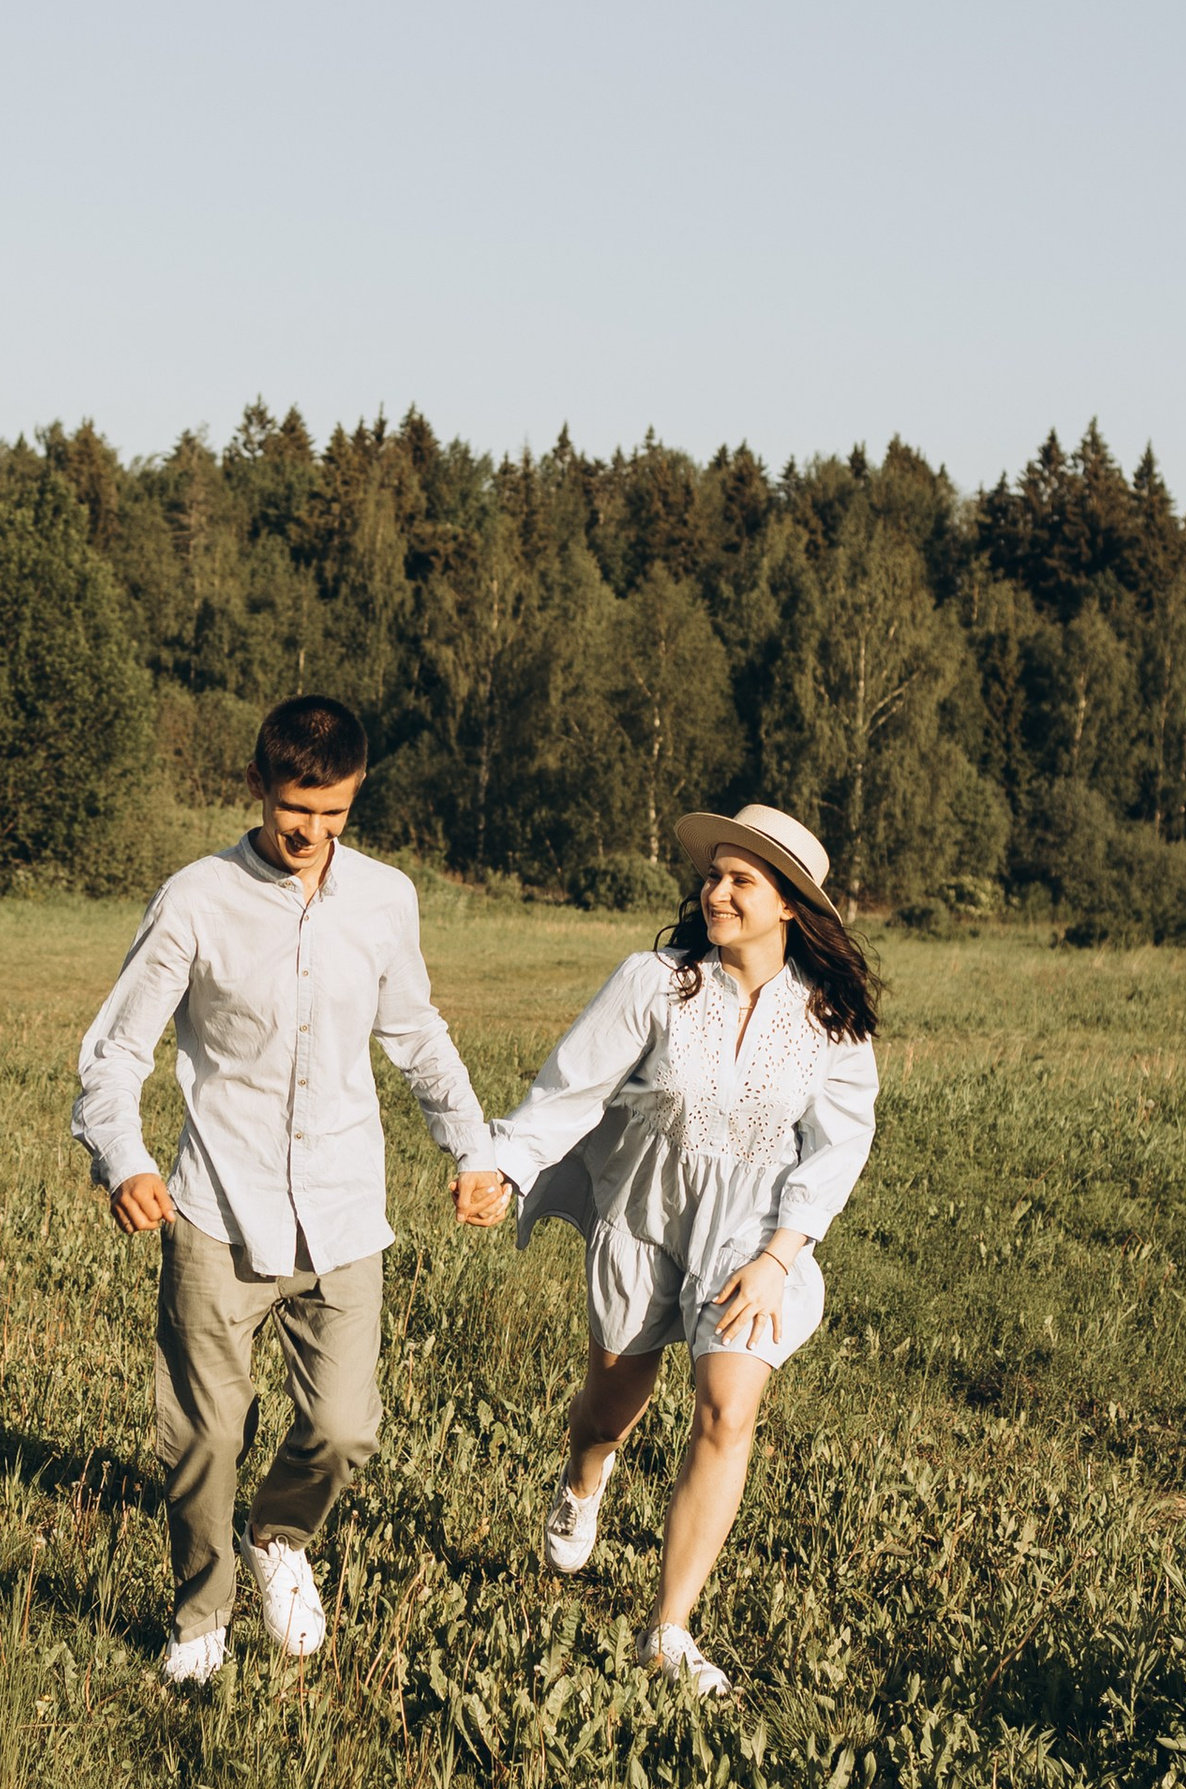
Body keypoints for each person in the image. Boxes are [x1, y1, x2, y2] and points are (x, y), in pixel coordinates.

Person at [74, 694, 509, 1687]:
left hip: (346, 1209)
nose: (311, 837)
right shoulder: (194, 898)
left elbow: (415, 1032)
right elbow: (115, 1051)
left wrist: (468, 1147)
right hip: (219, 1208)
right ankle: (200, 1614)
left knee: (346, 1426)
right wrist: (125, 1160)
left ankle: (279, 1539)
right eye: (294, 814)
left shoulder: (386, 898)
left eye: (335, 816)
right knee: (204, 1434)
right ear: (257, 789)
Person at [479, 801, 879, 1697]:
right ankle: (585, 1477)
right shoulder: (654, 982)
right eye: (714, 875)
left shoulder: (829, 1021)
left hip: (754, 1229)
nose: (717, 892)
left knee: (727, 1408)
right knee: (612, 1397)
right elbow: (570, 1087)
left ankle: (669, 1630)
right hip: (647, 1209)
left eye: (742, 881)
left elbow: (839, 1146)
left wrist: (780, 1254)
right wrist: (505, 1163)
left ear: (789, 907)